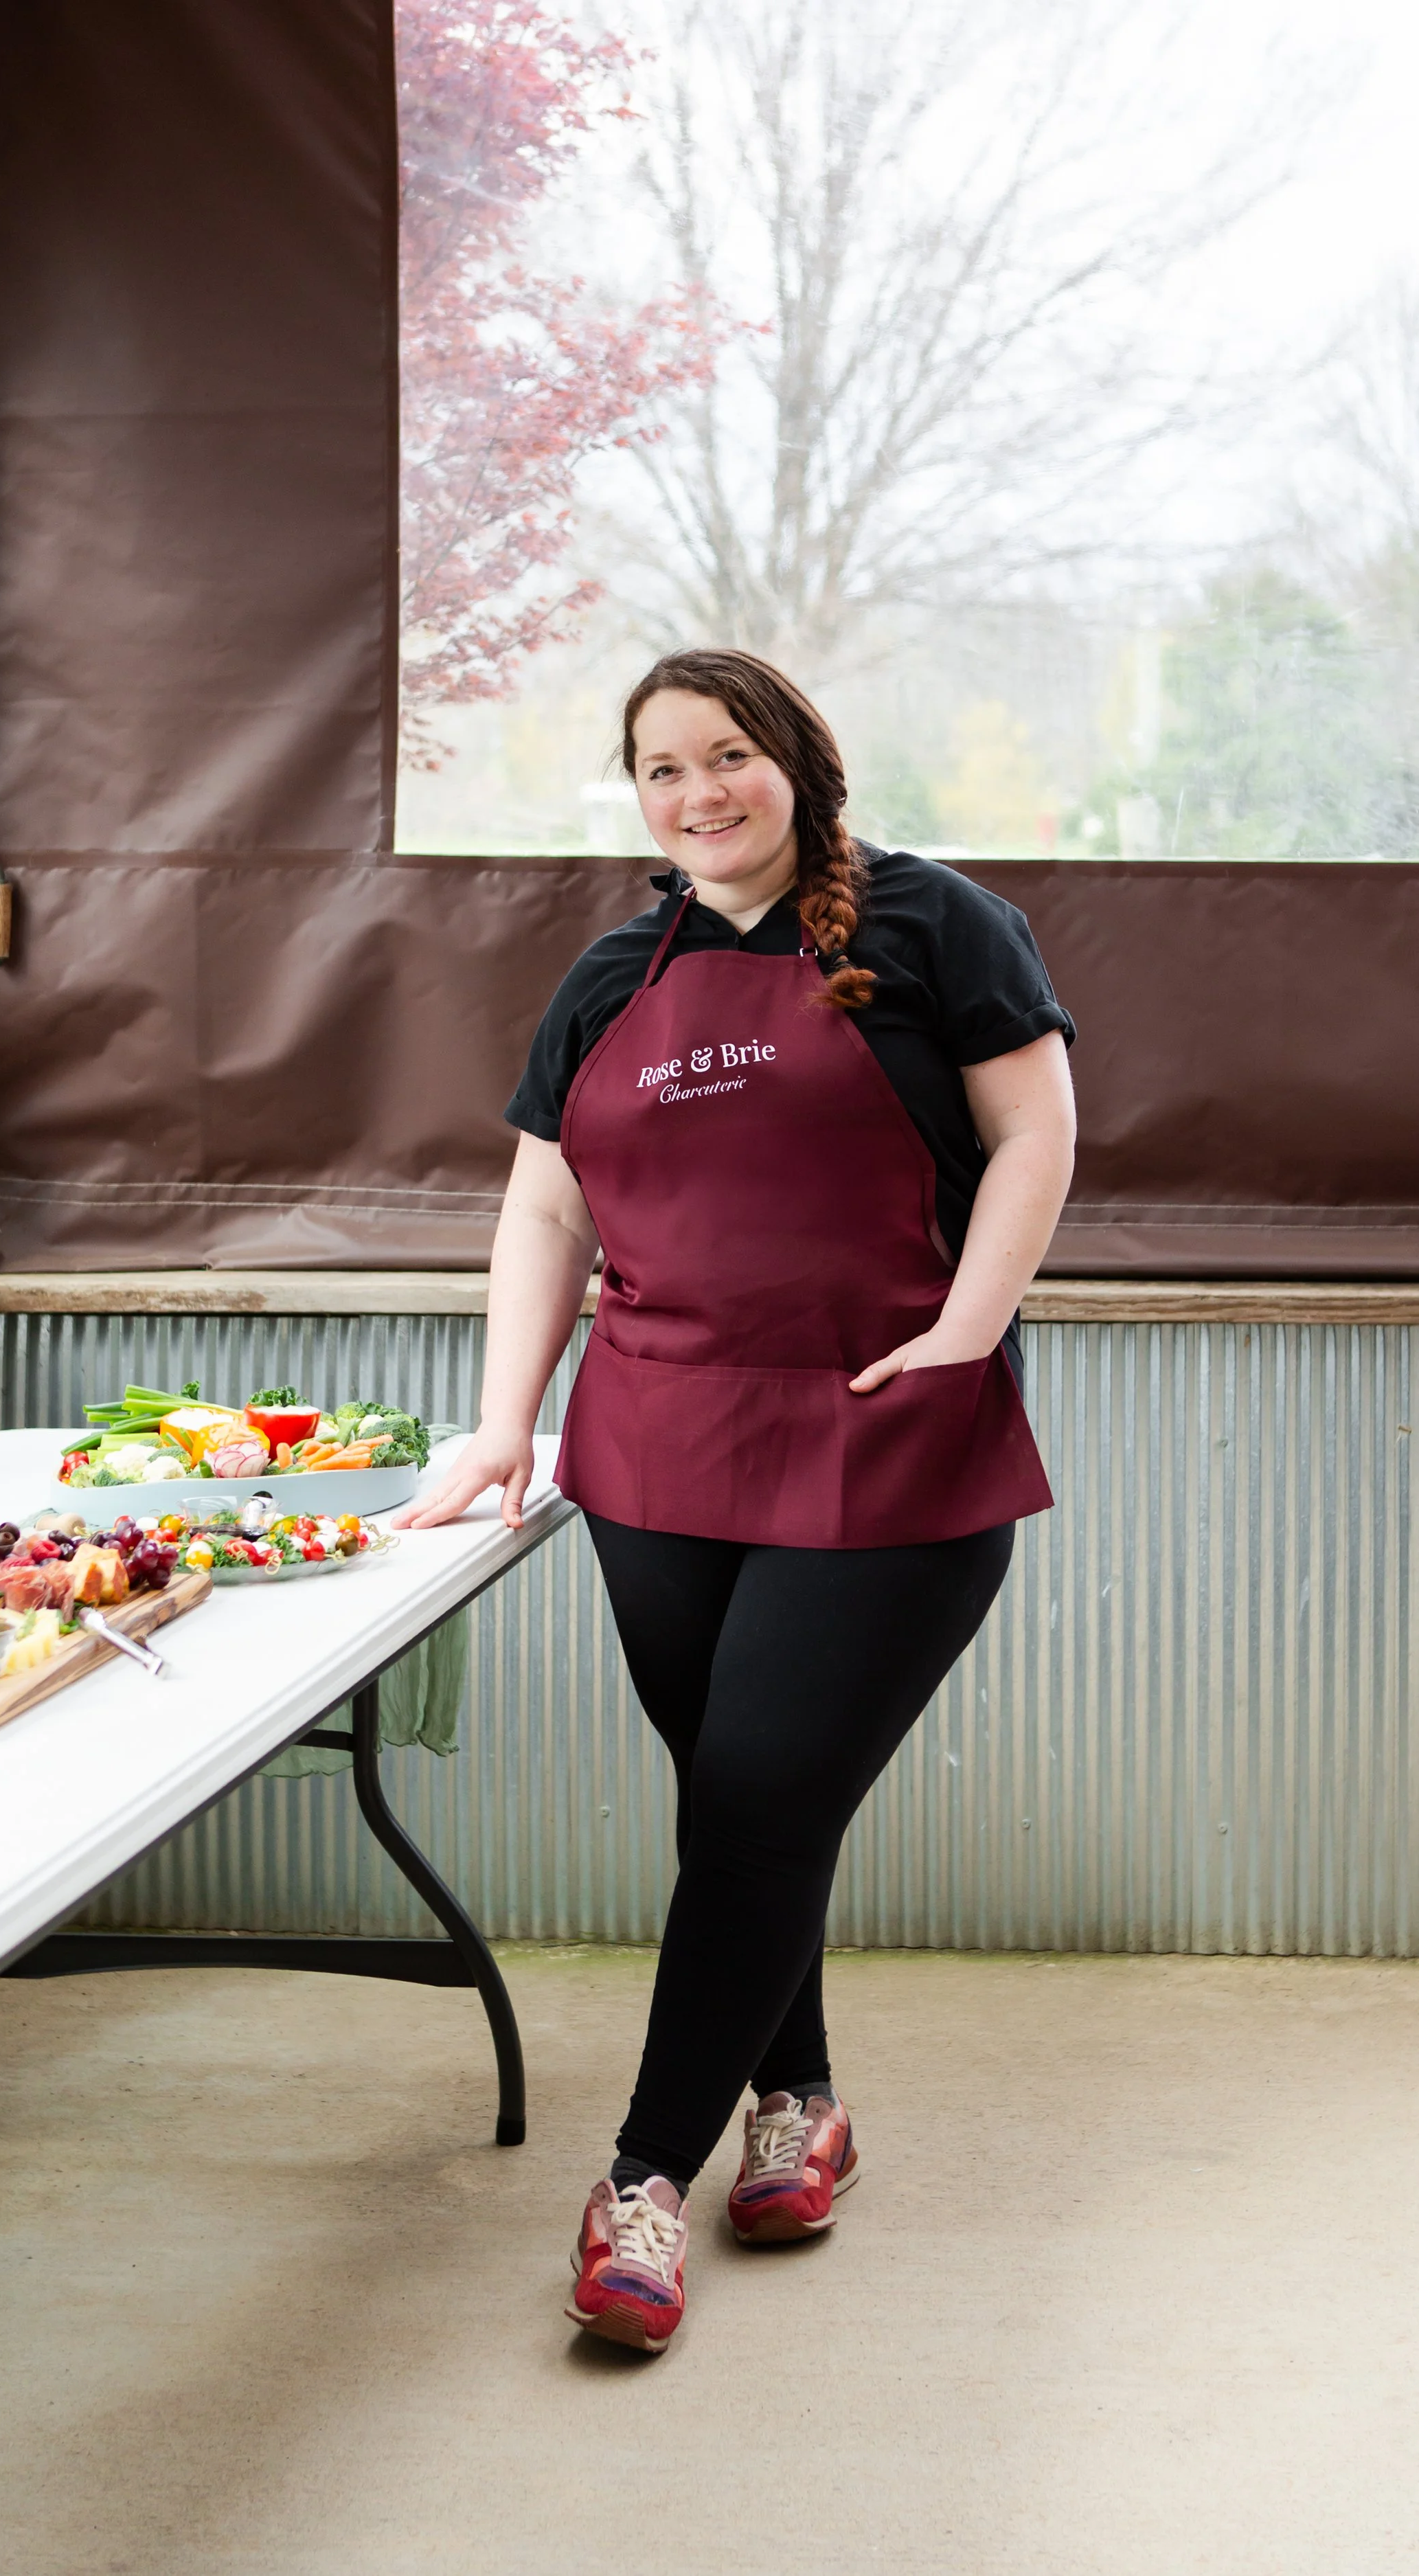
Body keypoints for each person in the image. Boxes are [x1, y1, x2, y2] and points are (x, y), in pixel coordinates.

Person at [396, 648, 1075, 2355]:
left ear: (795, 760)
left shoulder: (928, 924)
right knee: (746, 1813)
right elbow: (541, 1217)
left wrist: (960, 1337)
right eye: (659, 769)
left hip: (883, 1429)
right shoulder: (613, 971)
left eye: (728, 755)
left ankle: (640, 2182)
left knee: (762, 1790)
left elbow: (1034, 1132)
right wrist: (503, 1426)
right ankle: (802, 2107)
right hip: (654, 1451)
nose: (698, 793)